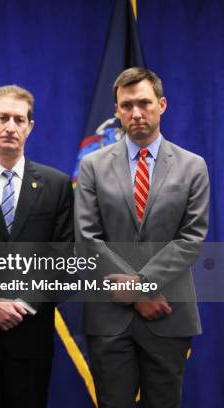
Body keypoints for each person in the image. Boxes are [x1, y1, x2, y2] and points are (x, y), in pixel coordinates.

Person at [75, 67, 209, 407]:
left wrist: (143, 286)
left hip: (168, 312)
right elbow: (88, 238)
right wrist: (138, 295)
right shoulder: (92, 165)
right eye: (127, 105)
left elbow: (191, 238)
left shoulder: (192, 166)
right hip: (110, 318)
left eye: (144, 103)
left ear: (162, 105)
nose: (136, 113)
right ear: (117, 110)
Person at [0, 85, 74, 408]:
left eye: (19, 119)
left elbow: (65, 258)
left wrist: (24, 303)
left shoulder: (57, 185)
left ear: (30, 126)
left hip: (31, 337)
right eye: (3, 117)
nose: (11, 126)